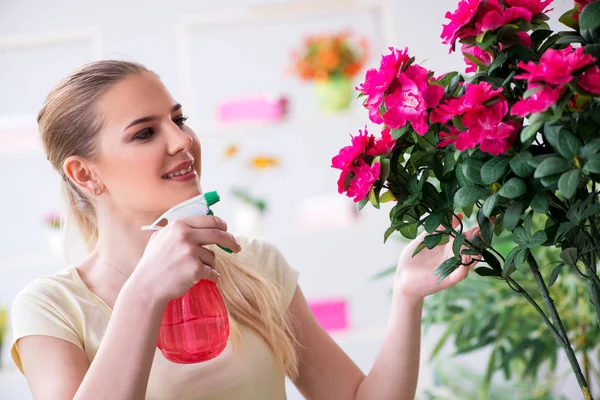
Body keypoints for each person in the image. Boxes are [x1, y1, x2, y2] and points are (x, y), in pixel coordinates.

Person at [10, 60, 479, 400]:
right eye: (145, 133)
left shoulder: (255, 263)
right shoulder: (52, 309)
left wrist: (406, 296)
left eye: (178, 119)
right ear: (85, 175)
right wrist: (142, 295)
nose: (182, 141)